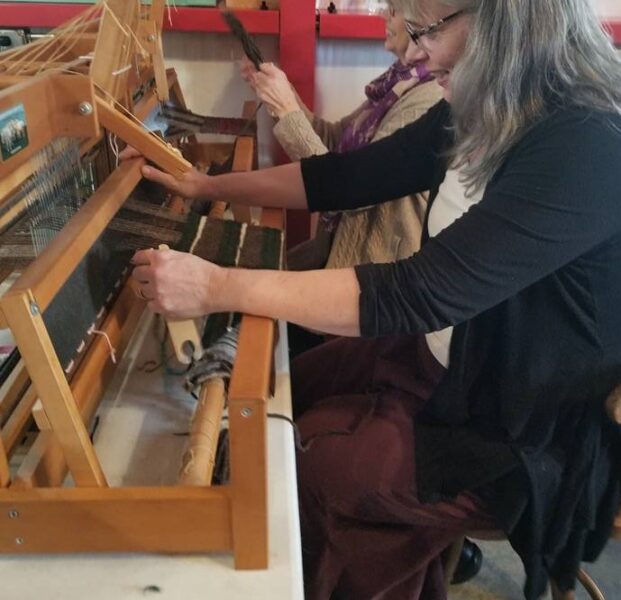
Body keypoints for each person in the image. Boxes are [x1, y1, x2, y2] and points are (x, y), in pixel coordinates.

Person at [128, 0, 621, 598]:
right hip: (450, 355)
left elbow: (422, 289)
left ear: (504, 18)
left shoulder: (590, 140)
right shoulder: (488, 101)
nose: (409, 50)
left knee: (318, 466)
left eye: (423, 31)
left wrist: (214, 286)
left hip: (520, 423)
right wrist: (205, 184)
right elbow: (347, 176)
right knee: (290, 392)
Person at [240, 0, 442, 271]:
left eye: (393, 9)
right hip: (334, 254)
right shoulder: (401, 81)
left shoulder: (429, 99)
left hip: (371, 274)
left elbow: (353, 190)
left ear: (424, 21)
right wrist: (284, 95)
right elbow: (334, 139)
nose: (384, 15)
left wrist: (286, 108)